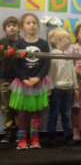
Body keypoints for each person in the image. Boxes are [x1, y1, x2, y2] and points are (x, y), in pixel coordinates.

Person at [9, 13, 52, 149]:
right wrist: (24, 79)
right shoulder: (18, 43)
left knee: (36, 109)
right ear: (22, 27)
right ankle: (22, 138)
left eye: (34, 22)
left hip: (38, 81)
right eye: (28, 23)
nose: (32, 25)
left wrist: (38, 77)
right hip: (23, 83)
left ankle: (34, 136)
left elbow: (46, 62)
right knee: (22, 110)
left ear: (38, 26)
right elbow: (14, 64)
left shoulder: (44, 43)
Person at [46, 29, 78, 146]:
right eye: (67, 39)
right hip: (56, 90)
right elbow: (50, 75)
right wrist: (48, 89)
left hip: (68, 89)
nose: (69, 41)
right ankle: (51, 138)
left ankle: (69, 136)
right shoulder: (53, 57)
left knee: (66, 114)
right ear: (59, 40)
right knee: (53, 114)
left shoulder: (68, 56)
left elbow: (72, 73)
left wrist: (75, 87)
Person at [0, 17, 21, 143]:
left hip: (20, 79)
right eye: (8, 26)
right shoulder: (2, 42)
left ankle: (20, 129)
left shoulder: (23, 42)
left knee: (19, 106)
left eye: (14, 25)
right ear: (5, 29)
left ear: (19, 28)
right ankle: (9, 131)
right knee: (7, 107)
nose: (11, 28)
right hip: (4, 78)